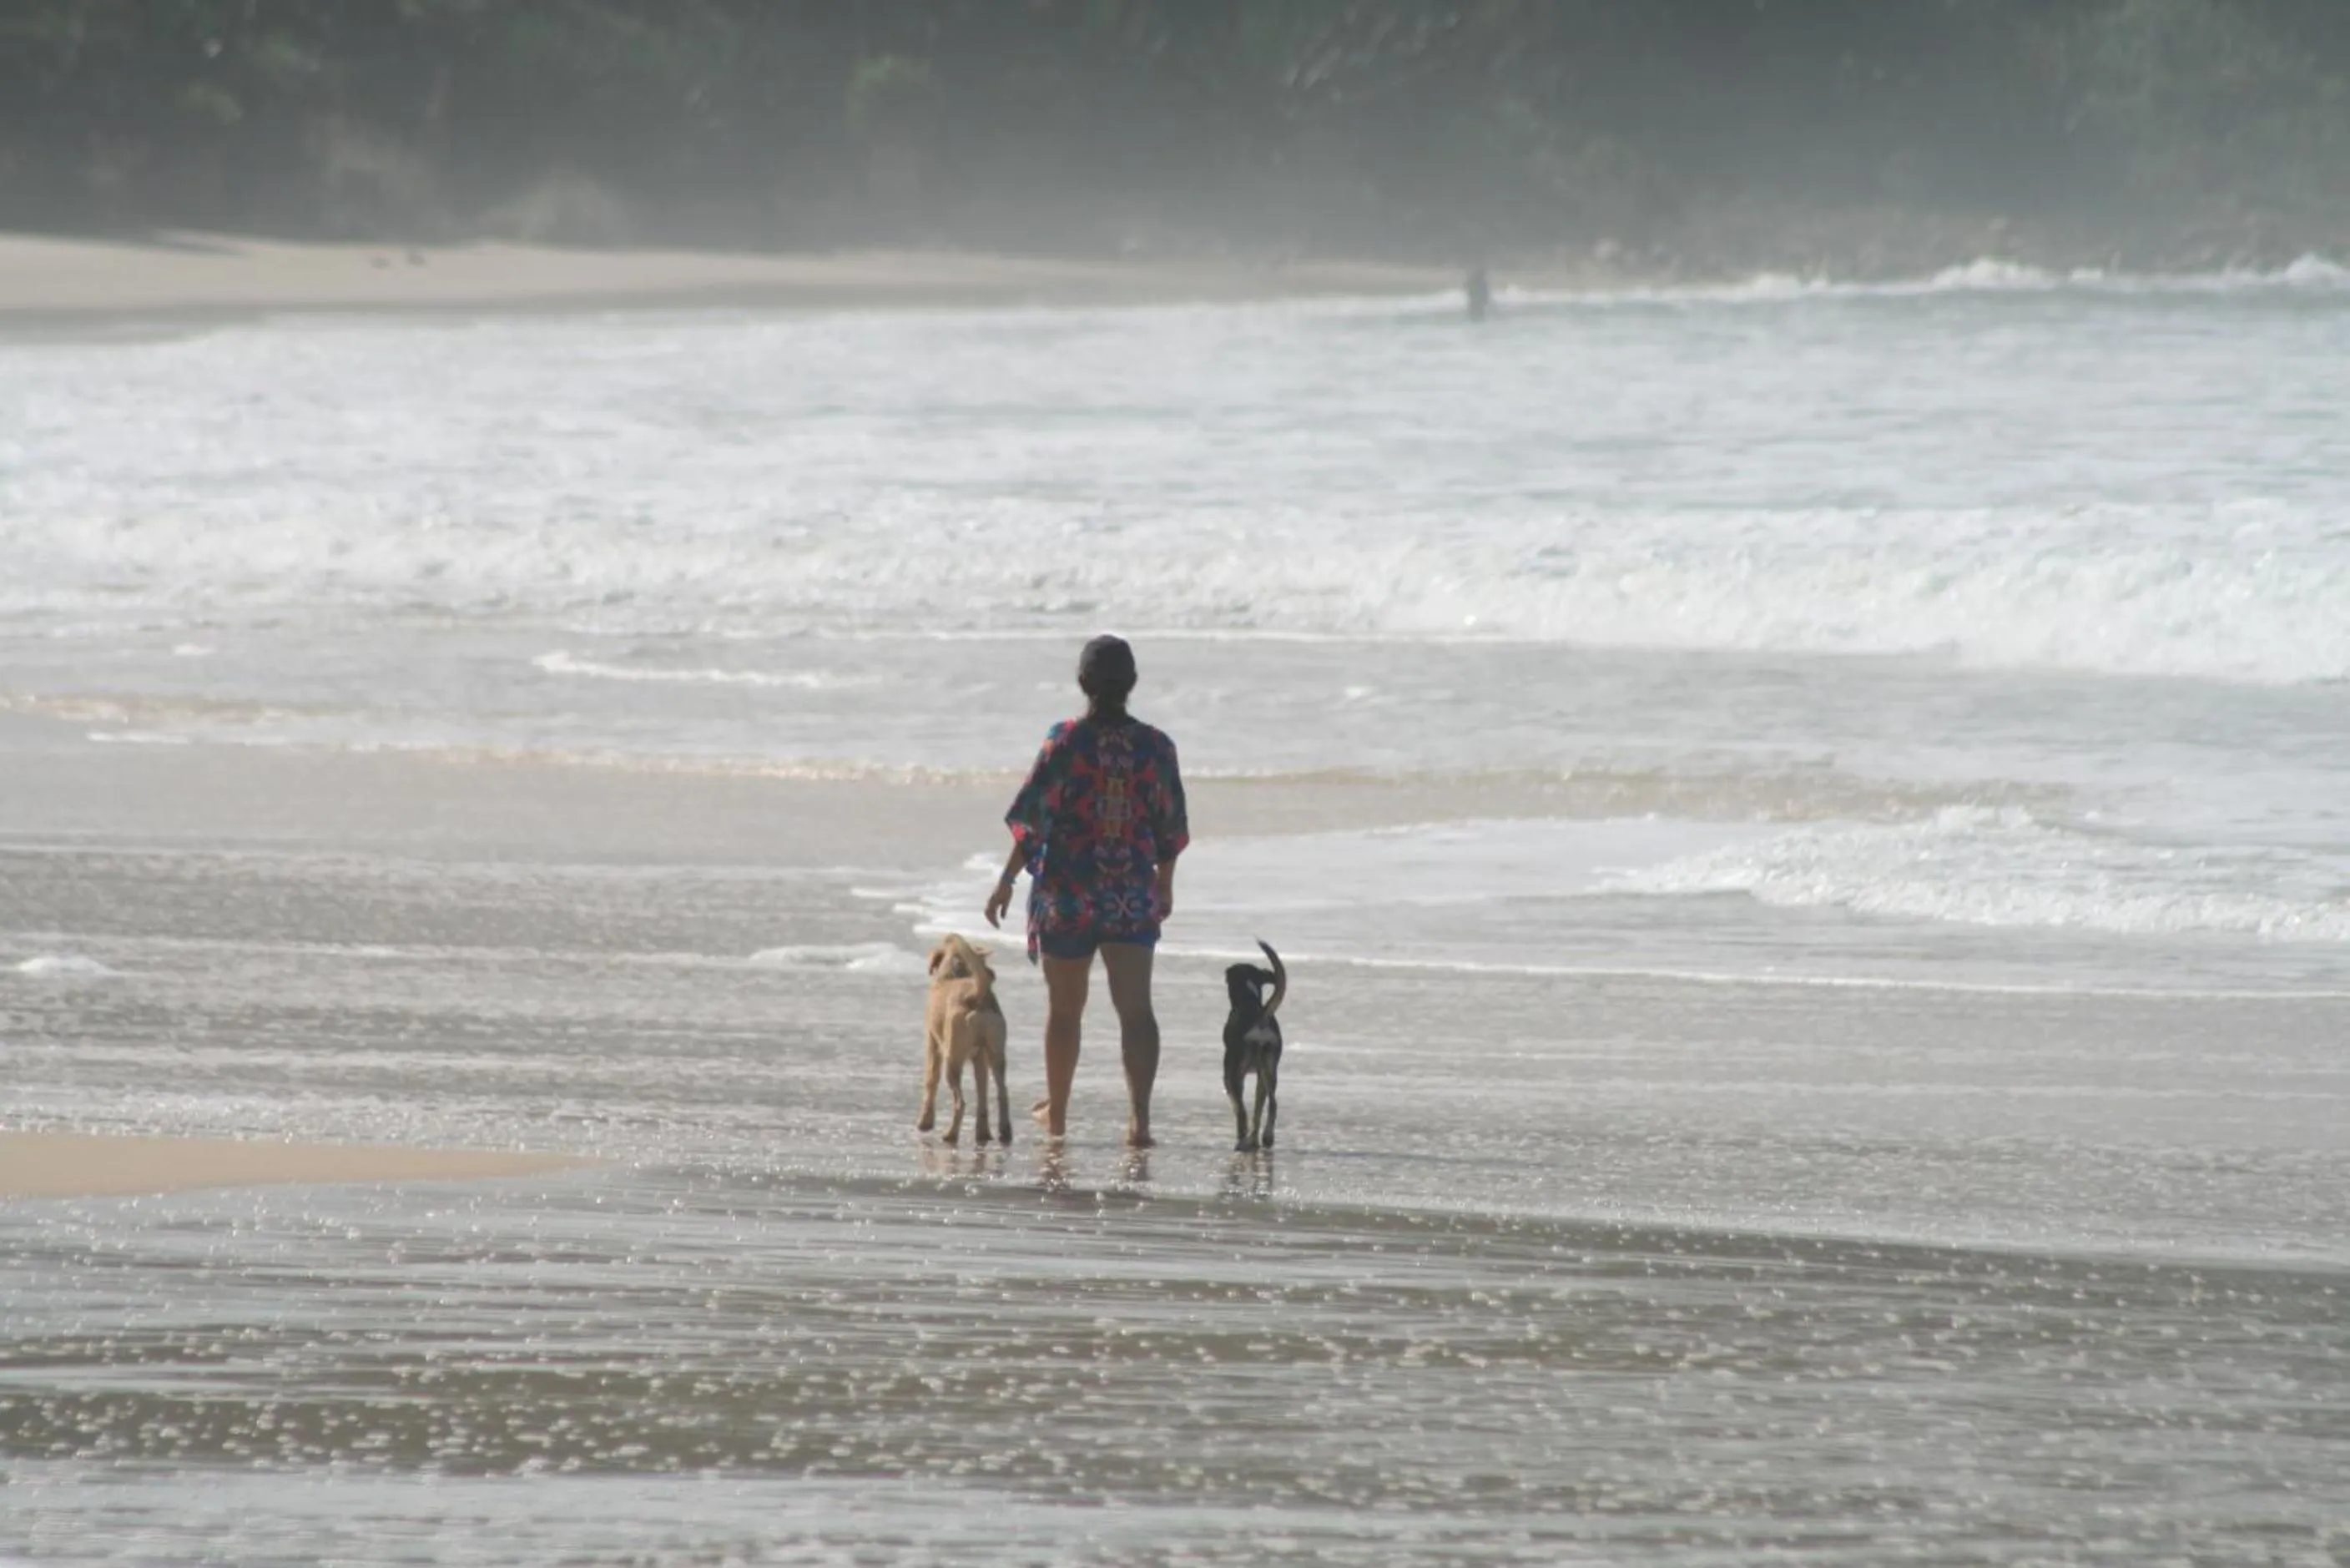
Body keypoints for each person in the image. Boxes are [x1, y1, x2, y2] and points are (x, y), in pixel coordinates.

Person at [984, 635, 1188, 1148]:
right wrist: (1163, 885)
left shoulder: (1065, 741)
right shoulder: (1157, 747)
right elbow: (1172, 829)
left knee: (1065, 1012)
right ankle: (1139, 1123)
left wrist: (1006, 880)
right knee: (1136, 1010)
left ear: (1083, 683)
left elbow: (1032, 820)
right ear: (1133, 684)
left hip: (1067, 895)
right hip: (1131, 895)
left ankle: (1057, 1118)